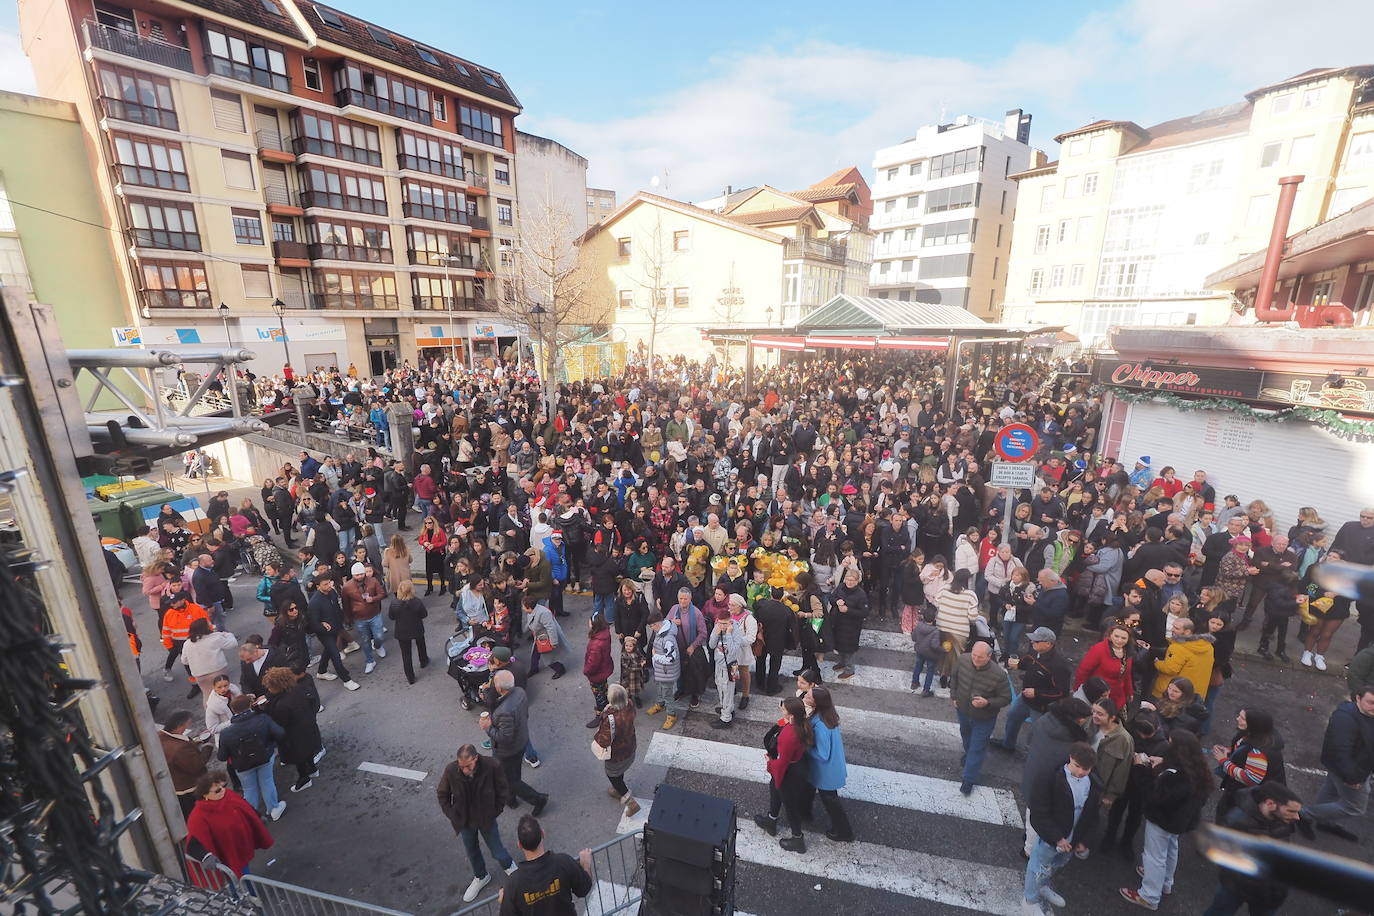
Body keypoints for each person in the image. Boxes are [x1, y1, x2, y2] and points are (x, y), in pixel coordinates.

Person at [1121, 729, 1215, 910]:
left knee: (1153, 856)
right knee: (1171, 848)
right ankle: (1165, 882)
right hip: (1181, 821)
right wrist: (1163, 763)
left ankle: (1148, 895)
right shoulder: (1197, 770)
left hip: (1163, 820)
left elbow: (1152, 795)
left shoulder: (1174, 776)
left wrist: (1140, 767)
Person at [1200, 783, 1309, 916]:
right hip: (1237, 887)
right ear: (1270, 804)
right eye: (1291, 811)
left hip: (1269, 893)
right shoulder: (1236, 822)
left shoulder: (1281, 818)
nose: (1297, 817)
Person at [1022, 743, 1100, 914]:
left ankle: (1042, 886)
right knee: (1038, 866)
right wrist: (1057, 837)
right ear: (1070, 758)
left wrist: (1084, 840)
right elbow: (1040, 812)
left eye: (1086, 769)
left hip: (1072, 839)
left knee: (1056, 864)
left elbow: (1093, 814)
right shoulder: (1050, 778)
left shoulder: (1093, 783)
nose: (1080, 772)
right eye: (1077, 766)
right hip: (1053, 837)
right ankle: (1029, 900)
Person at [437, 744, 518, 903]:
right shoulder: (451, 770)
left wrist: (494, 811)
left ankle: (509, 866)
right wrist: (453, 815)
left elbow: (503, 790)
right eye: (462, 766)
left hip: (486, 818)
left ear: (476, 758)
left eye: (468, 766)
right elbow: (442, 794)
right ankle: (481, 876)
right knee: (471, 850)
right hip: (465, 820)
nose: (465, 770)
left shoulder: (492, 766)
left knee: (497, 849)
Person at [1304, 684, 1374, 839]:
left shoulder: (1366, 714)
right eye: (1371, 702)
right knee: (1354, 807)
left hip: (1353, 766)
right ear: (1358, 698)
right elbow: (1340, 751)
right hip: (1351, 770)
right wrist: (1351, 777)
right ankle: (1303, 815)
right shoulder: (1345, 719)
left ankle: (1322, 822)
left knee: (1330, 790)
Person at [994, 627, 1070, 752]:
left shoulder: (1059, 666)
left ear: (1048, 644)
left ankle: (1032, 754)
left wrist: (1037, 693)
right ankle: (1008, 744)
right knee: (1013, 716)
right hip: (1025, 697)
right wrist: (1018, 664)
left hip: (1041, 706)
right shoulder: (1034, 651)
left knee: (1037, 731)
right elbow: (1027, 662)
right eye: (1033, 640)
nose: (1032, 642)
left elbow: (1062, 692)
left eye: (1036, 641)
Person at [484, 669, 549, 815]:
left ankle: (538, 799)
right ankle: (510, 798)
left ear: (500, 688)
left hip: (507, 750)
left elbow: (504, 737)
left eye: (495, 684)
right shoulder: (520, 692)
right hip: (521, 740)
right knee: (513, 773)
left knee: (508, 778)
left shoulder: (504, 711)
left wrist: (488, 728)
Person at [499, 815, 593, 915]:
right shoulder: (563, 862)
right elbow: (584, 889)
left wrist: (505, 901)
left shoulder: (513, 884)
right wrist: (586, 864)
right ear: (543, 834)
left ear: (519, 845)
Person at [950, 640, 1011, 795]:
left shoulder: (999, 675)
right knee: (966, 736)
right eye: (974, 655)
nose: (976, 659)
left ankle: (968, 779)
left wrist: (987, 703)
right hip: (963, 711)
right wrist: (954, 697)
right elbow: (954, 677)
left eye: (980, 657)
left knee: (977, 747)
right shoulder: (963, 659)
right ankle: (968, 755)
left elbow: (1006, 698)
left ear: (989, 657)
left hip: (984, 717)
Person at [752, 696, 812, 852]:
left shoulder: (788, 736)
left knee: (790, 806)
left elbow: (782, 762)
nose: (781, 710)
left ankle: (798, 840)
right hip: (798, 766)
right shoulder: (801, 724)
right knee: (774, 790)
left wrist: (769, 762)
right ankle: (771, 820)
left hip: (789, 774)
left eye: (783, 709)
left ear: (791, 715)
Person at [186, 771, 273, 878]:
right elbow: (193, 842)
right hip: (227, 854)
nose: (223, 790)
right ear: (205, 794)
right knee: (238, 877)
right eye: (217, 790)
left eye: (224, 786)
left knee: (244, 871)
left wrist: (257, 816)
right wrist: (205, 856)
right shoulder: (198, 816)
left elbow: (244, 806)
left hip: (240, 845)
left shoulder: (228, 794)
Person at [216, 693, 287, 819]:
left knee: (249, 789)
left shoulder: (226, 733)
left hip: (242, 765)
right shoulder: (263, 719)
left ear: (233, 710)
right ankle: (273, 808)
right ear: (250, 706)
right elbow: (280, 733)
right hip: (265, 757)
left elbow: (222, 756)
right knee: (267, 781)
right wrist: (270, 744)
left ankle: (251, 816)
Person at [1212, 708, 1286, 823]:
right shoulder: (1253, 734)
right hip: (1242, 790)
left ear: (1254, 724)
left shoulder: (1258, 752)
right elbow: (1243, 749)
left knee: (1226, 817)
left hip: (1247, 795)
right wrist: (1230, 751)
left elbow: (1251, 779)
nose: (1237, 719)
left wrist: (1224, 761)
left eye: (1242, 718)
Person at [799, 686, 853, 842]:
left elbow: (822, 754)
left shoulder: (821, 725)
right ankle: (805, 812)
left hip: (825, 772)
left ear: (817, 703)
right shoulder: (828, 715)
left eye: (808, 696)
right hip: (831, 767)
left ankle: (844, 832)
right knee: (812, 791)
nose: (805, 696)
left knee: (831, 802)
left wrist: (806, 749)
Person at [261, 665, 322, 794]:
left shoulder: (281, 705)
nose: (269, 689)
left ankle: (304, 779)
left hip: (294, 736)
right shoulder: (297, 689)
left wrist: (265, 709)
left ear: (276, 686)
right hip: (308, 727)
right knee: (308, 751)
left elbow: (278, 722)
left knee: (299, 758)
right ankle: (312, 770)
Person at [592, 684, 640, 817]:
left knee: (613, 777)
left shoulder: (610, 719)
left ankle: (630, 802)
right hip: (630, 747)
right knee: (619, 773)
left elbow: (604, 741)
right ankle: (617, 791)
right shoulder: (630, 704)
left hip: (617, 755)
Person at [158, 710, 212, 819]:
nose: (189, 726)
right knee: (201, 815)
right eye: (188, 724)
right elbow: (196, 766)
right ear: (179, 726)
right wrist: (208, 747)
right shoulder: (181, 749)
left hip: (177, 786)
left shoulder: (160, 737)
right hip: (190, 787)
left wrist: (192, 744)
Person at [1151, 616, 1215, 700]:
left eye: (1176, 628)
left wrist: (1157, 662)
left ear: (1187, 631)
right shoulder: (1208, 647)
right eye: (1173, 626)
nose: (1172, 630)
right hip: (1195, 694)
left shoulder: (1177, 648)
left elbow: (1169, 669)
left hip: (1172, 694)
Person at [1074, 624, 1135, 710]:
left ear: (1128, 639)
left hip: (1118, 696)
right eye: (1116, 636)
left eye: (1123, 638)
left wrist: (1129, 691)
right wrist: (1078, 691)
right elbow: (1083, 672)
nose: (1119, 640)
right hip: (1098, 695)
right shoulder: (1098, 649)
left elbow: (1127, 674)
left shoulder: (1128, 652)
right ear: (1110, 635)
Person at [1088, 698, 1134, 812]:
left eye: (1100, 714)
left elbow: (1122, 770)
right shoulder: (1091, 724)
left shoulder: (1124, 739)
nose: (1094, 715)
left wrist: (1111, 795)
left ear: (1112, 717)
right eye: (1093, 711)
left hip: (1098, 786)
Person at [341, 562, 387, 674]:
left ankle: (378, 646)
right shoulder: (347, 587)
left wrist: (373, 599)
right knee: (365, 641)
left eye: (361, 574)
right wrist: (349, 618)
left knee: (379, 636)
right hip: (360, 619)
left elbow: (382, 594)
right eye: (357, 575)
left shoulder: (373, 581)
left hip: (375, 615)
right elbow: (345, 604)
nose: (360, 577)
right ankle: (370, 661)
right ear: (353, 575)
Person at [181, 618, 238, 704]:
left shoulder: (187, 643)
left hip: (200, 676)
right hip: (218, 671)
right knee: (225, 692)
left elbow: (184, 661)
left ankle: (211, 713)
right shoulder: (215, 638)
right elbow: (233, 644)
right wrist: (229, 635)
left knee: (207, 696)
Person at [646, 612, 685, 729]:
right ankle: (660, 704)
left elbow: (671, 659)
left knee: (667, 694)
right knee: (660, 689)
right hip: (661, 670)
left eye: (651, 626)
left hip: (667, 672)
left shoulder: (668, 638)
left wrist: (656, 657)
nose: (651, 629)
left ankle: (671, 715)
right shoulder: (660, 632)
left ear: (657, 624)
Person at [753, 586, 795, 696]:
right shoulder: (786, 610)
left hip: (762, 638)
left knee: (760, 660)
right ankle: (772, 687)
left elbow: (755, 606)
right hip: (778, 641)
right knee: (775, 664)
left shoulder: (762, 605)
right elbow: (792, 627)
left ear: (771, 594)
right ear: (782, 596)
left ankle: (760, 683)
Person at [389, 579, 430, 685]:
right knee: (421, 644)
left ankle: (410, 677)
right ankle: (423, 660)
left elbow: (391, 617)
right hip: (417, 628)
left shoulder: (394, 603)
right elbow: (424, 614)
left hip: (402, 632)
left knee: (406, 655)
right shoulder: (417, 602)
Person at [522, 595, 568, 679]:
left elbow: (551, 628)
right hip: (540, 638)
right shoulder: (533, 611)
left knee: (549, 658)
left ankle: (560, 669)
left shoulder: (543, 613)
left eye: (523, 606)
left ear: (528, 607)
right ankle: (534, 669)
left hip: (546, 639)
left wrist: (553, 642)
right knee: (535, 654)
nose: (522, 608)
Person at [583, 614, 614, 727]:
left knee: (599, 695)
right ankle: (607, 708)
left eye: (590, 622)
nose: (588, 624)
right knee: (604, 689)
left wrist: (586, 671)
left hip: (597, 673)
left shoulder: (596, 644)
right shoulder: (605, 634)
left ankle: (601, 716)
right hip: (604, 668)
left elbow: (593, 664)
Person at [910, 605, 944, 697]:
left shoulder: (919, 626)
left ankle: (914, 683)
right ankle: (926, 690)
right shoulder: (935, 631)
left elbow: (913, 637)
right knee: (930, 671)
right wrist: (943, 650)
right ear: (934, 619)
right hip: (931, 655)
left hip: (920, 651)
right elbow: (935, 645)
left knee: (918, 667)